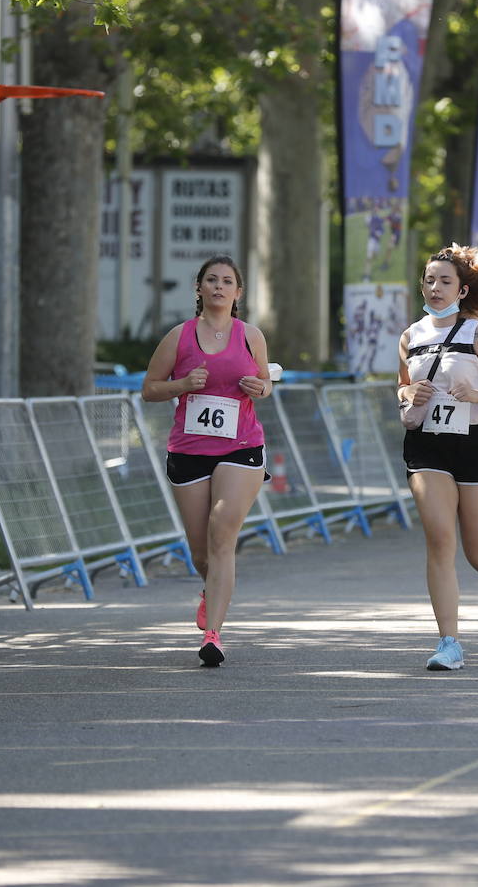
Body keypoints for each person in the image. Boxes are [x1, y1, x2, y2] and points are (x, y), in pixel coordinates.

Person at [397, 243, 478, 672]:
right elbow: (401, 391)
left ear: (463, 290)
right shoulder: (410, 337)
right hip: (427, 447)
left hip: (475, 445)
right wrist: (407, 395)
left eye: (444, 281)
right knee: (439, 539)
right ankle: (448, 642)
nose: (435, 288)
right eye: (429, 280)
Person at [141, 255, 274, 667]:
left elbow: (267, 381)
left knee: (222, 532)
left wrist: (260, 387)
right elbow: (149, 389)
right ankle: (210, 589)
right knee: (202, 553)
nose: (219, 286)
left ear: (238, 292)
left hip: (241, 447)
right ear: (198, 289)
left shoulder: (250, 335)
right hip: (189, 450)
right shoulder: (179, 337)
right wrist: (182, 384)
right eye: (211, 280)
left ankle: (213, 636)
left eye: (227, 281)